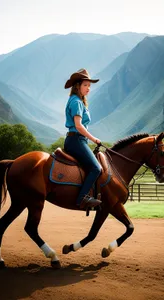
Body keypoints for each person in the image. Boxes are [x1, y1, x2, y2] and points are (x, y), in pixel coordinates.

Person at [64, 68, 102, 210]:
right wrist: (94, 139)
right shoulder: (76, 102)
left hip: (78, 140)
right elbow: (79, 126)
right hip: (76, 140)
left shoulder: (77, 100)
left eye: (89, 86)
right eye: (85, 85)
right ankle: (82, 199)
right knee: (96, 168)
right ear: (77, 86)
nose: (88, 88)